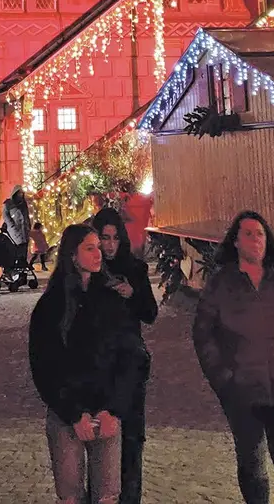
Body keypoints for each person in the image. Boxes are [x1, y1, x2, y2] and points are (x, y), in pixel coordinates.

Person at [193, 210, 274, 504]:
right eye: (247, 234)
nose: (255, 240)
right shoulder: (221, 284)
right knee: (252, 466)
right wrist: (224, 378)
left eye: (260, 233)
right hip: (242, 393)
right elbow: (203, 333)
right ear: (235, 242)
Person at [28, 224, 147, 504]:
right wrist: (72, 413)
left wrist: (114, 410)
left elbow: (129, 359)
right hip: (66, 413)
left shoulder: (112, 302)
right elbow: (43, 366)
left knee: (107, 495)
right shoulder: (50, 307)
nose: (98, 254)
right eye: (89, 248)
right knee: (70, 496)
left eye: (99, 247)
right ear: (72, 255)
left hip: (106, 411)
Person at [92, 206, 158, 504]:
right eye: (103, 238)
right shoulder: (89, 272)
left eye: (114, 238)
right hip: (96, 365)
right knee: (100, 441)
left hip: (129, 364)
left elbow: (150, 314)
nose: (108, 245)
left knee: (132, 438)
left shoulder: (135, 269)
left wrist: (133, 294)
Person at [3, 185, 32, 263]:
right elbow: (6, 217)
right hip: (14, 232)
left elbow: (26, 216)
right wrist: (12, 227)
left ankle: (22, 270)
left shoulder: (23, 204)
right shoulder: (8, 204)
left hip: (24, 231)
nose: (21, 195)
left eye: (22, 193)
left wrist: (28, 226)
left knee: (23, 252)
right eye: (19, 193)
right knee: (16, 252)